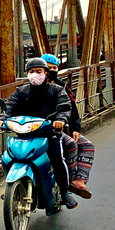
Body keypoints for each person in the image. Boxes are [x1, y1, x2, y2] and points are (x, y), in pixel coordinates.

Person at [0, 57, 77, 209]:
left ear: (46, 73)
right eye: (31, 72)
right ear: (27, 74)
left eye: (38, 71)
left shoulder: (57, 91)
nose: (35, 74)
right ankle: (13, 188)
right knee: (9, 157)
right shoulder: (21, 91)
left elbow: (64, 106)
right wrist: (2, 119)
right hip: (26, 134)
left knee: (57, 159)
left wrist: (60, 119)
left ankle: (65, 191)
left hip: (50, 133)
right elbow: (10, 106)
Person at [41, 53, 94, 199]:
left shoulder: (62, 86)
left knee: (88, 146)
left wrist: (76, 127)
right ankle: (68, 181)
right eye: (47, 67)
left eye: (54, 68)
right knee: (70, 144)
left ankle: (79, 180)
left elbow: (71, 107)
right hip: (43, 128)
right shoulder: (34, 87)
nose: (51, 70)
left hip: (63, 128)